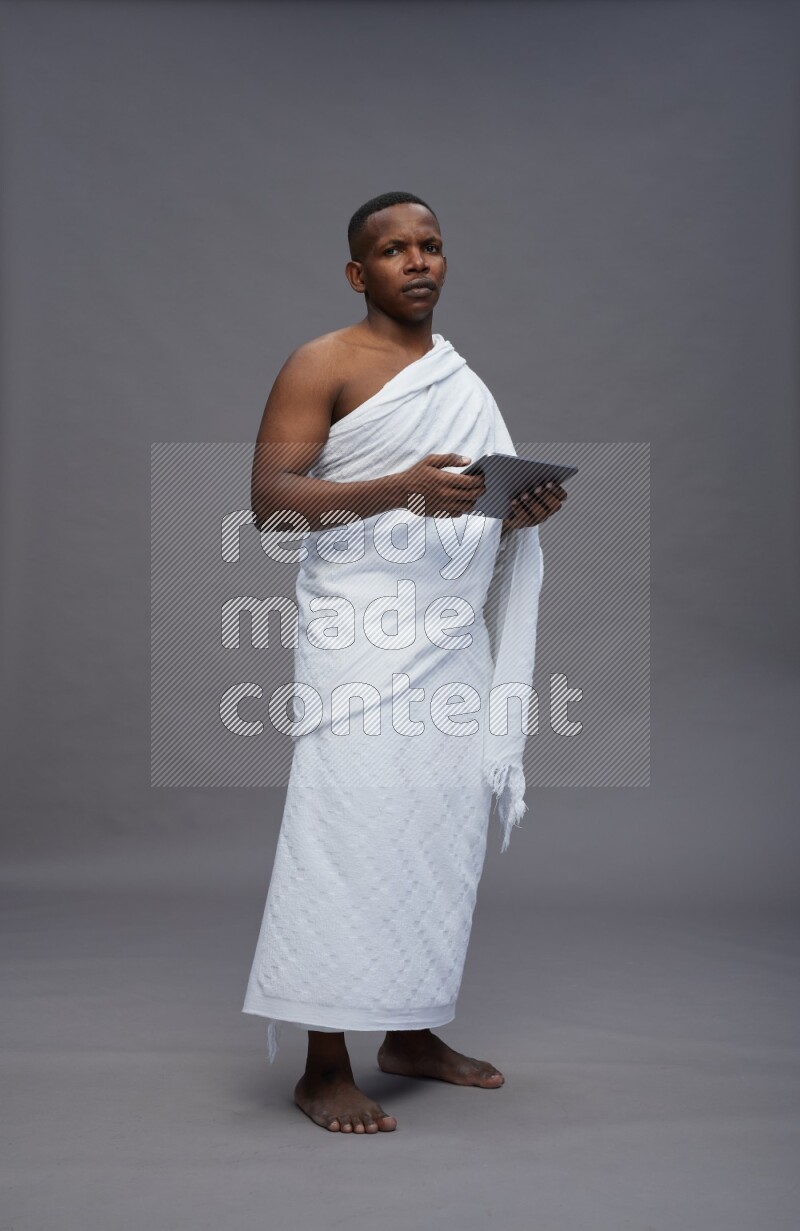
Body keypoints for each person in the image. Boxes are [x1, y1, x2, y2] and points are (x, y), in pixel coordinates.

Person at [242, 191, 567, 1133]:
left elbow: (467, 499)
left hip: (448, 636)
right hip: (360, 633)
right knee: (348, 833)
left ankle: (411, 1032)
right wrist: (398, 490)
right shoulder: (323, 364)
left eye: (430, 245)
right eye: (393, 250)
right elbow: (268, 501)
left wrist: (515, 512)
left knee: (439, 835)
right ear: (359, 272)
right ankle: (323, 1063)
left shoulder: (460, 376)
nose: (417, 262)